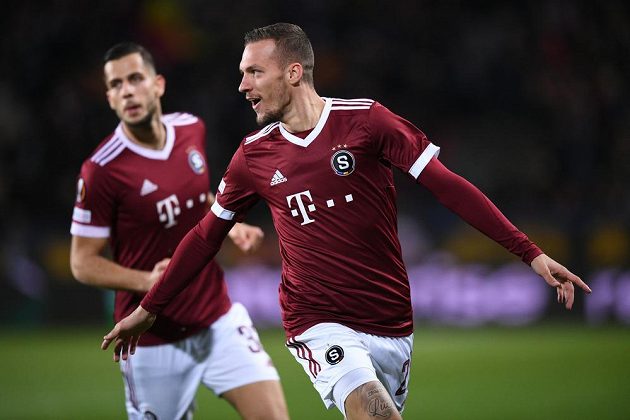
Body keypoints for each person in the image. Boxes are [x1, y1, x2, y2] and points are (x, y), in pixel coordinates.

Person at [101, 25, 592, 420]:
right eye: (242, 73)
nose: (242, 85)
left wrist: (530, 253)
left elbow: (448, 186)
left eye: (253, 72)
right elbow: (207, 236)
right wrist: (150, 308)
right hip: (316, 321)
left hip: (392, 322)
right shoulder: (252, 158)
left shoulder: (367, 122)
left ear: (293, 72)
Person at [70, 42, 289, 420]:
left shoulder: (191, 129)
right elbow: (82, 263)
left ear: (158, 85)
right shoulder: (101, 171)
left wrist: (231, 224)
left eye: (135, 78)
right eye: (117, 84)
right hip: (151, 339)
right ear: (109, 98)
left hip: (217, 317)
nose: (127, 90)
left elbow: (192, 191)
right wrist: (147, 280)